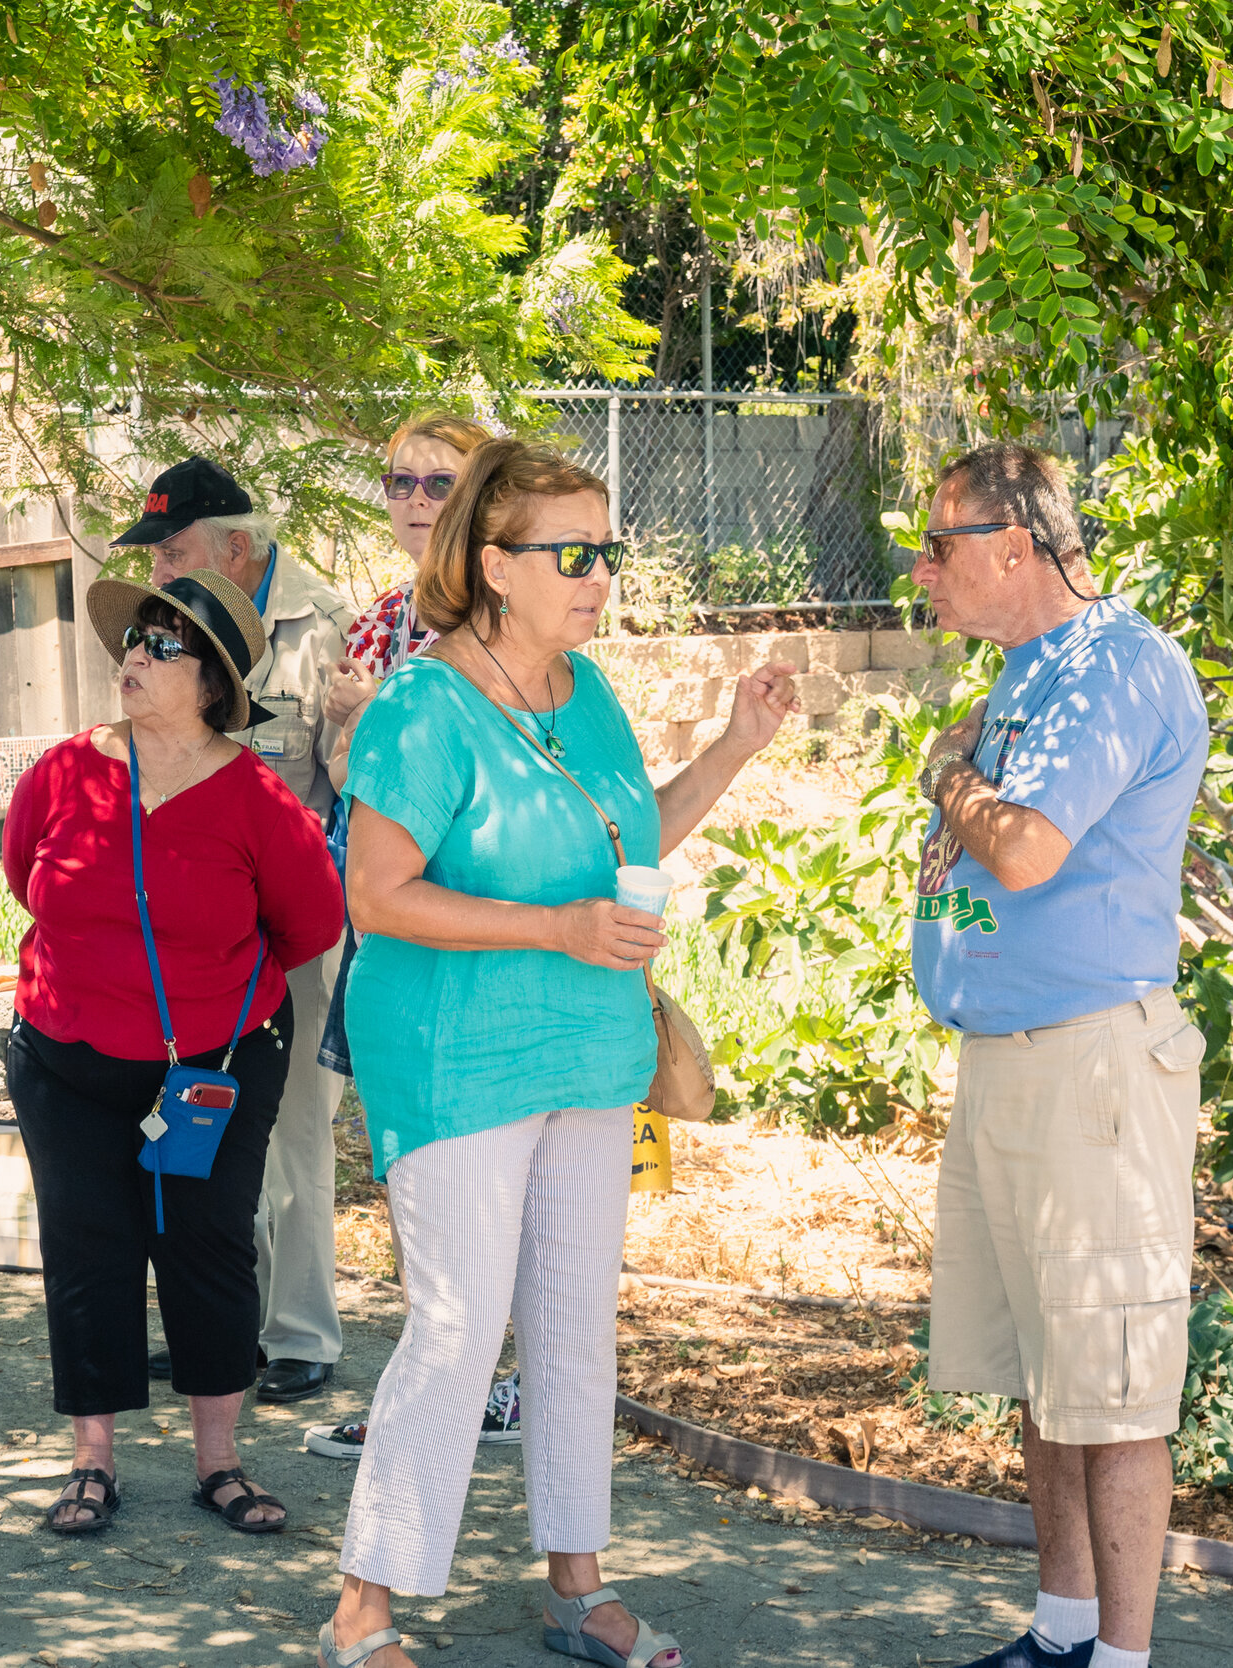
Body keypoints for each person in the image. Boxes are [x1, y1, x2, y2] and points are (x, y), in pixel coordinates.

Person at [318, 437, 798, 1668]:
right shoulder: (422, 705)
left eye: (607, 550)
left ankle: (576, 1589)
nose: (599, 576)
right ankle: (362, 1607)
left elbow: (631, 839)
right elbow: (375, 895)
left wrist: (737, 744)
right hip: (456, 1060)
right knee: (458, 1323)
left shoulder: (586, 693)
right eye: (572, 553)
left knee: (577, 1328)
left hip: (589, 1057)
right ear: (492, 564)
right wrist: (557, 928)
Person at [909, 443, 1208, 1668]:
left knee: (1116, 1381)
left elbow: (1022, 850)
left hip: (1089, 1070)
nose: (922, 570)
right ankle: (1063, 1631)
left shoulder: (1116, 664)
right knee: (1051, 1367)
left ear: (1016, 547)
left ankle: (1121, 1659)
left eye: (940, 545)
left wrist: (948, 782)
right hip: (1011, 1060)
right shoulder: (1033, 672)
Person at [1, 568, 344, 1537]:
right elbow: (26, 875)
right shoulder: (63, 772)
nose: (135, 656)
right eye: (134, 639)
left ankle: (220, 1462)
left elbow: (308, 925)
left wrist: (201, 1007)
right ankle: (92, 1462)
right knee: (86, 1251)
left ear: (214, 683)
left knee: (206, 1249)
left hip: (215, 1069)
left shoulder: (260, 797)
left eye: (163, 644)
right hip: (66, 1058)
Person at [308, 411, 530, 1463]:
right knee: (407, 1157)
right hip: (394, 919)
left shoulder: (520, 615)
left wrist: (370, 725)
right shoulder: (378, 620)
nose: (409, 500)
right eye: (395, 480)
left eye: (434, 482)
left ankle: (504, 1382)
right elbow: (350, 778)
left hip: (495, 919)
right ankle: (450, 1381)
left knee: (507, 1158)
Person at [112, 457, 354, 1405]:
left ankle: (302, 1334)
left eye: (173, 550)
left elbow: (352, 784)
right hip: (199, 933)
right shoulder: (172, 628)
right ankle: (228, 1323)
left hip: (294, 928)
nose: (161, 571)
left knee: (294, 1129)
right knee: (204, 1125)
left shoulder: (318, 630)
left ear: (238, 548)